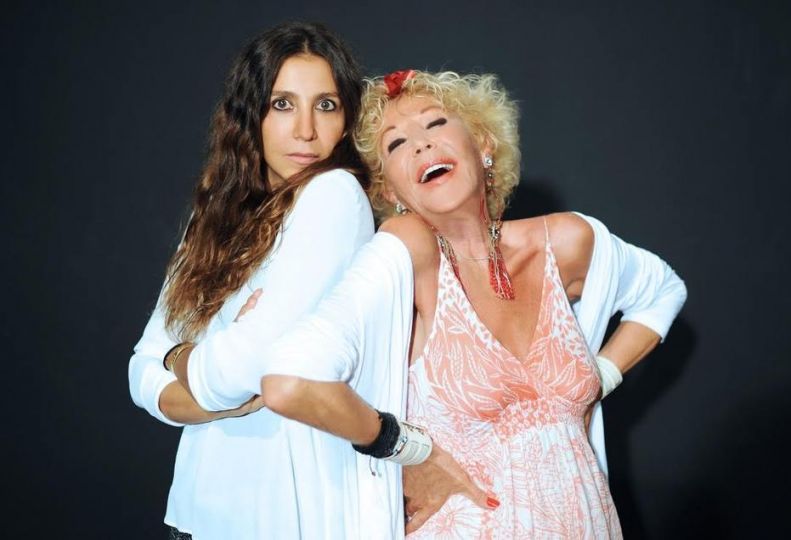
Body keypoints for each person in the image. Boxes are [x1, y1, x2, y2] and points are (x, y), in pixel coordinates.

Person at [253, 69, 687, 538]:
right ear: (390, 191)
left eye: (435, 123)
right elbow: (291, 380)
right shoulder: (409, 252)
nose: (421, 144)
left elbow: (664, 290)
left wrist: (600, 378)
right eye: (396, 144)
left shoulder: (563, 241)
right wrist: (405, 449)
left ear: (483, 144)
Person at [127, 22, 378, 539]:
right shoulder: (215, 217)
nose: (306, 130)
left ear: (347, 118)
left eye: (326, 105)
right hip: (197, 510)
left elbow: (243, 367)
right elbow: (141, 366)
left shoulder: (334, 194)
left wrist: (184, 357)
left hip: (283, 514)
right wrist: (193, 372)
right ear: (250, 114)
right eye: (282, 104)